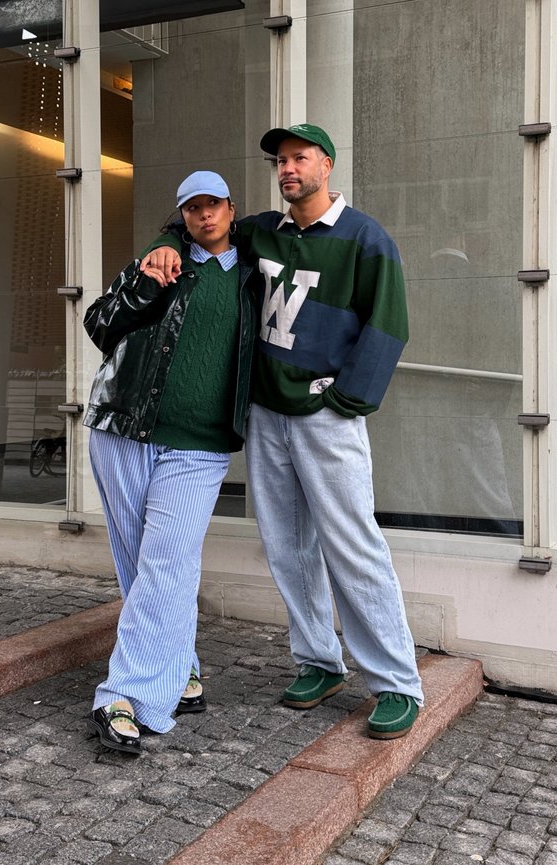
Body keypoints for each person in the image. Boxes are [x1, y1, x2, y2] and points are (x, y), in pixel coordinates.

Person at [142, 124, 424, 740]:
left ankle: (398, 682)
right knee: (288, 546)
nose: (288, 168)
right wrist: (166, 239)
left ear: (326, 163)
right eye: (280, 160)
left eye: (300, 158)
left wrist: (348, 399)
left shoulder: (364, 238)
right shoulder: (261, 229)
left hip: (327, 417)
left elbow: (389, 324)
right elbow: (202, 220)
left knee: (353, 545)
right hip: (266, 416)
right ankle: (319, 661)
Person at [83, 171, 257, 754]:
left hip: (200, 444)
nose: (204, 216)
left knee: (169, 560)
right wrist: (144, 285)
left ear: (232, 209)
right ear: (181, 214)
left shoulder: (255, 273)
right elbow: (99, 325)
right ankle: (180, 670)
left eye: (213, 205)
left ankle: (123, 695)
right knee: (141, 561)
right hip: (124, 429)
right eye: (192, 208)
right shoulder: (160, 263)